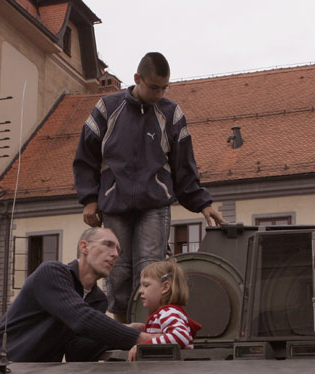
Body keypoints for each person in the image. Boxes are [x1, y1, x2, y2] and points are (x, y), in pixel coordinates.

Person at [74, 51, 226, 321]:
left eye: (164, 88)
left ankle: (148, 331)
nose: (159, 94)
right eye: (154, 87)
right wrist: (89, 199)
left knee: (150, 270)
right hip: (115, 203)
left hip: (154, 204)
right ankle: (123, 330)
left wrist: (203, 203)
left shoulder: (171, 113)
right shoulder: (107, 108)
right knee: (117, 270)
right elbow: (86, 157)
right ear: (137, 79)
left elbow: (184, 164)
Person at [0, 227, 152, 374]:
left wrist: (122, 333)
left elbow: (77, 351)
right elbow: (81, 318)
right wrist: (142, 338)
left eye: (118, 250)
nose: (115, 254)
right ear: (84, 247)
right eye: (108, 244)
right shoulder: (52, 273)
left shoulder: (98, 300)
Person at [128, 260, 201, 361]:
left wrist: (145, 346)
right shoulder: (165, 313)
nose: (140, 290)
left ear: (165, 287)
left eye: (146, 285)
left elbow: (180, 336)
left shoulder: (168, 312)